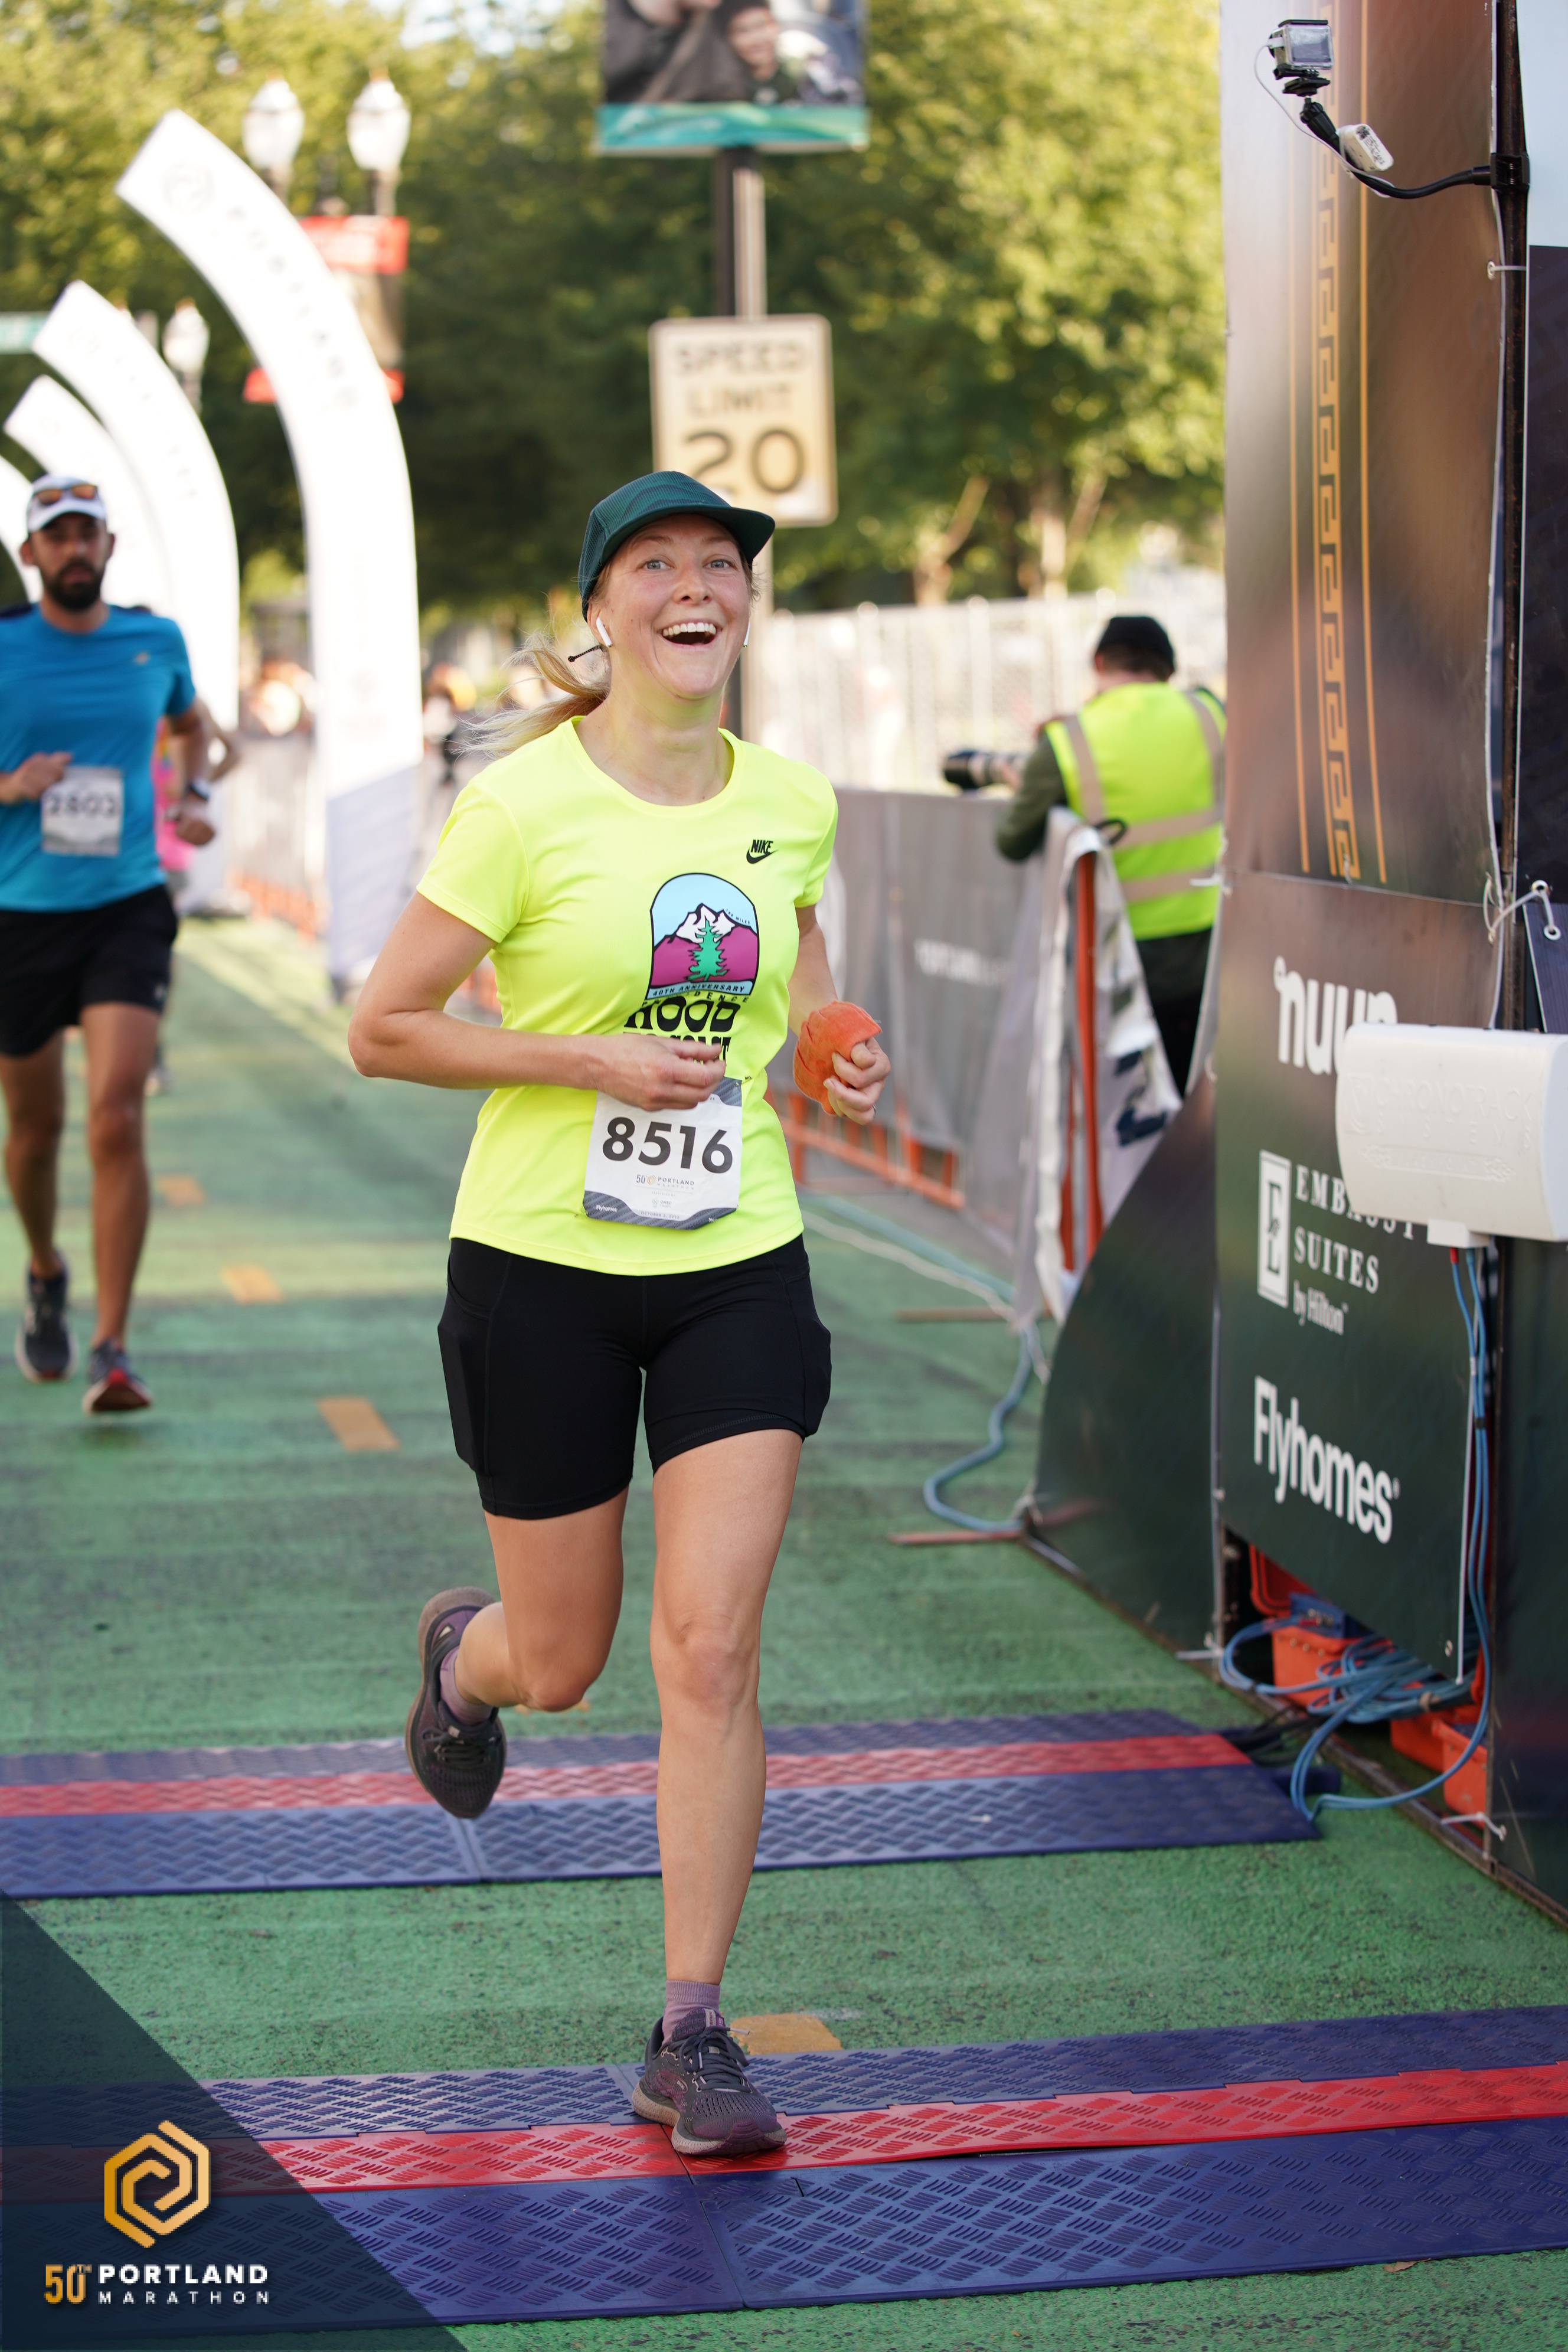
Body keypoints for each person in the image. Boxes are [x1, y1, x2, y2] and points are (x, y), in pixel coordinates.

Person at [349, 471, 891, 2160]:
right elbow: (385, 1025)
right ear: (601, 611)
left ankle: (691, 2028)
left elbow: (796, 967)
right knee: (568, 1659)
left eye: (720, 563)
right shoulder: (519, 809)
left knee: (710, 1649)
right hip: (541, 1274)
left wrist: (828, 1043)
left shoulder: (789, 800)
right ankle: (469, 1663)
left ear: (746, 606)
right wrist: (584, 1057)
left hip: (737, 1258)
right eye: (654, 564)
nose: (693, 586)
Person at [0, 476, 215, 1410]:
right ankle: (46, 1268)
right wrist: (11, 785)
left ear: (109, 546)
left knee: (116, 1117)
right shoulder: (5, 646)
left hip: (126, 905)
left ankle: (112, 1347)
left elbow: (193, 730)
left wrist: (194, 793)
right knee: (34, 1130)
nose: (75, 549)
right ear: (31, 555)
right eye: (58, 537)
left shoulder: (154, 641)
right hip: (19, 914)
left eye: (87, 533)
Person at [994, 614, 1224, 1091]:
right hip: (1213, 952)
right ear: (1169, 670)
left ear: (1099, 663)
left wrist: (1029, 782)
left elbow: (1011, 841)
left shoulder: (1067, 741)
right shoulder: (1209, 713)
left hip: (1121, 967)